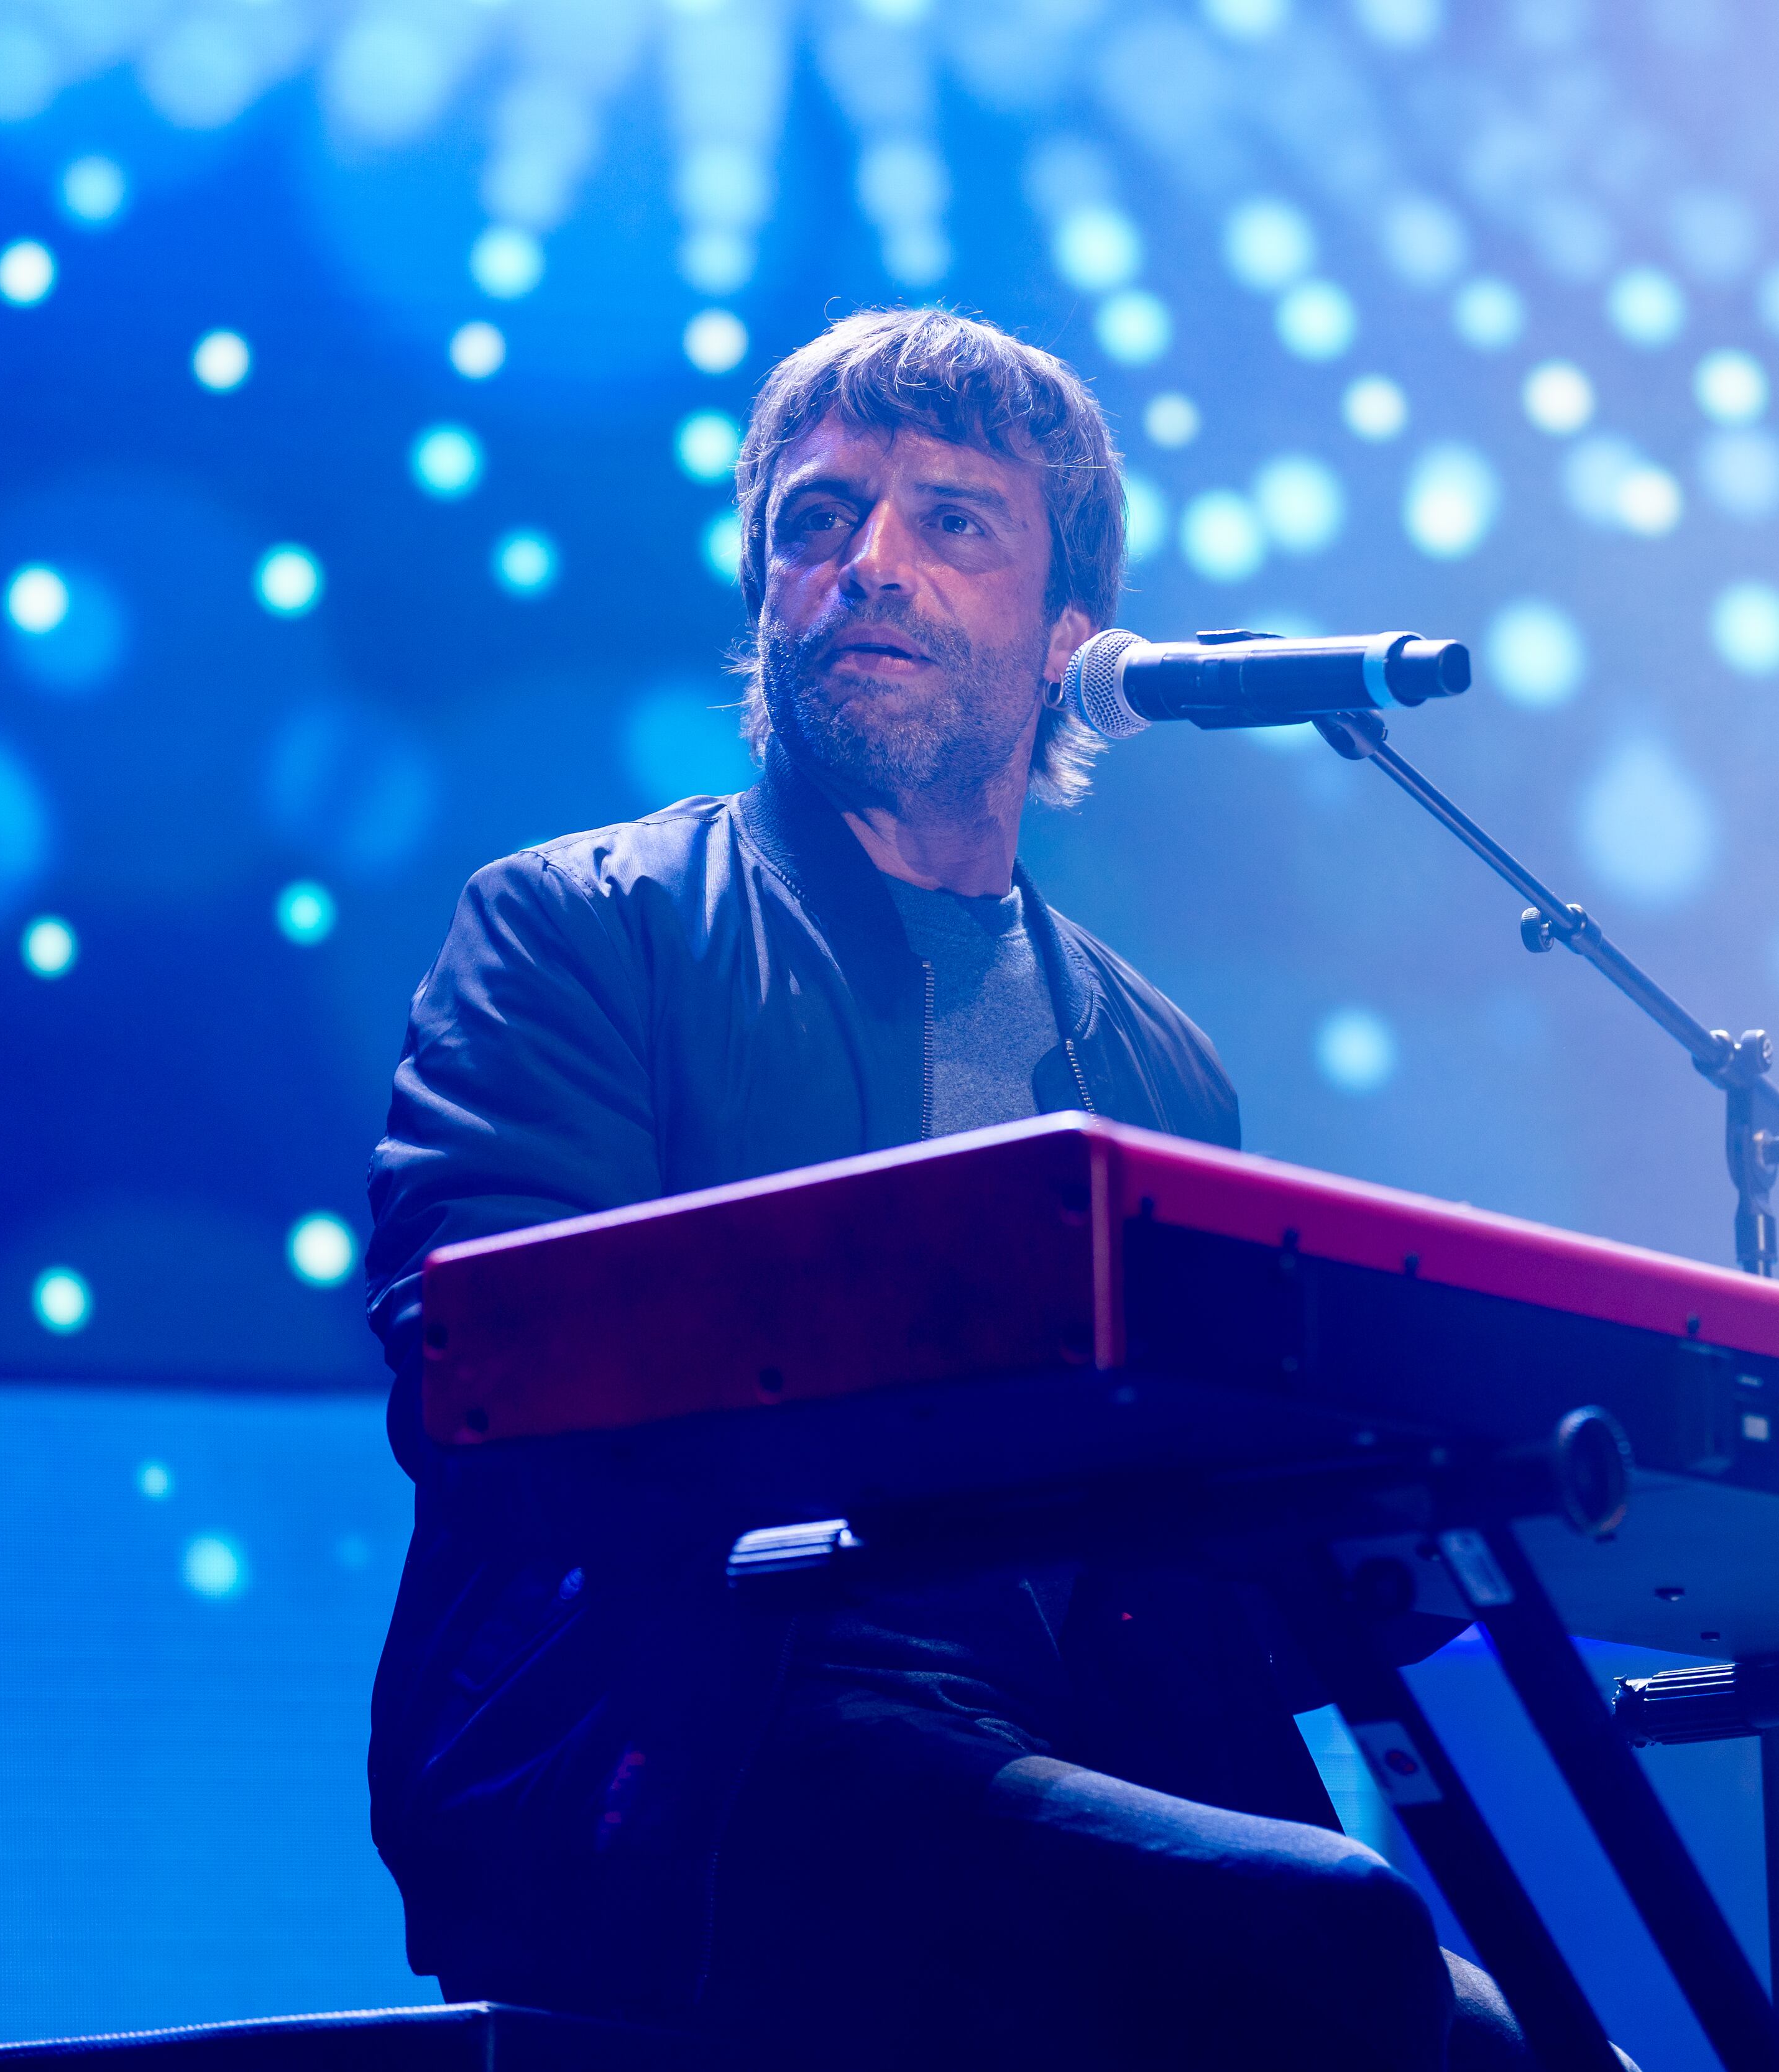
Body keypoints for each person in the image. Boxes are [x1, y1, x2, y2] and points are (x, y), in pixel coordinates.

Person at [360, 307, 1533, 2068]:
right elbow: (487, 1377)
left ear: (1074, 638)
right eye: (818, 521)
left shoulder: (1159, 1069)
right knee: (1343, 1949)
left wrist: (1414, 1496)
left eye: (952, 520)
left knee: (1505, 2021)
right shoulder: (580, 928)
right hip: (684, 1751)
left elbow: (1208, 1557)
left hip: (1045, 1751)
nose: (868, 567)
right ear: (766, 590)